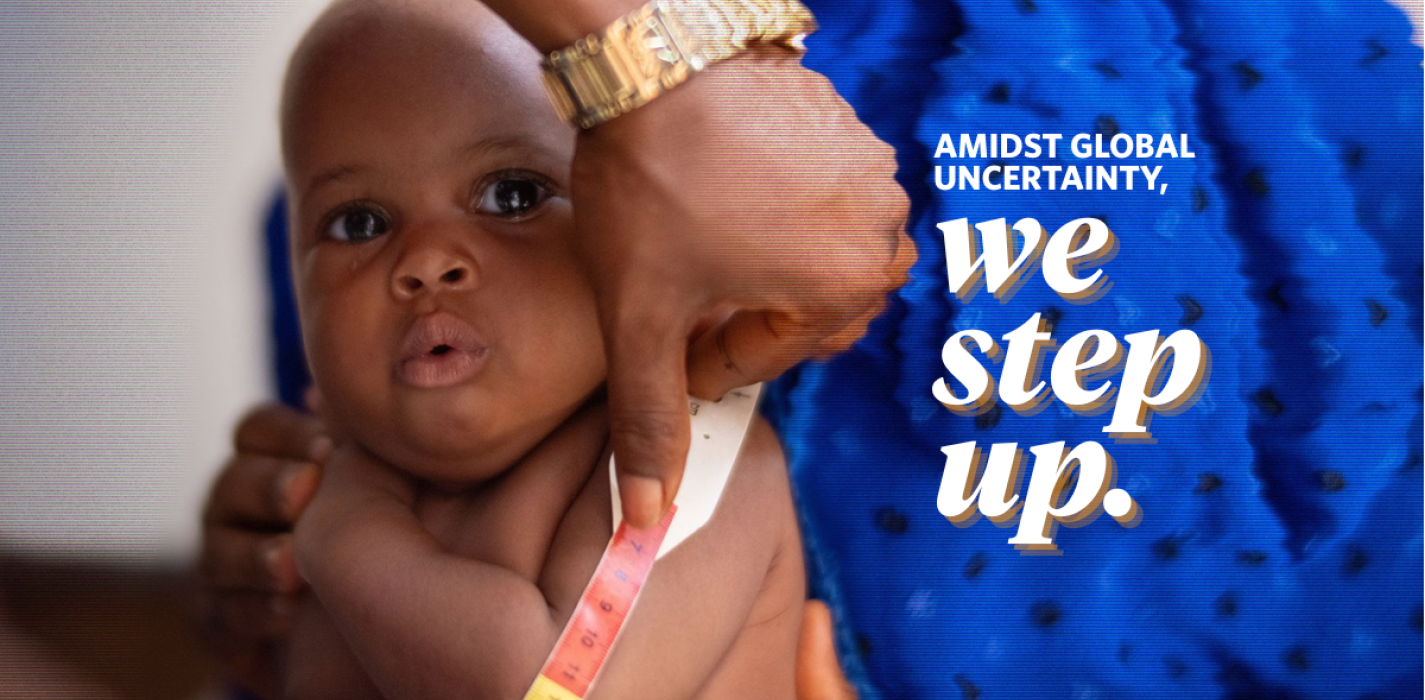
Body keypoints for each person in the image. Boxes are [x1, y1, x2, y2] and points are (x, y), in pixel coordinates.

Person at [214, 1, 877, 697]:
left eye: (513, 195)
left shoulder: (692, 452)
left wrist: (341, 537)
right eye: (360, 222)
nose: (425, 259)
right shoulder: (349, 477)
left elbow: (547, 687)